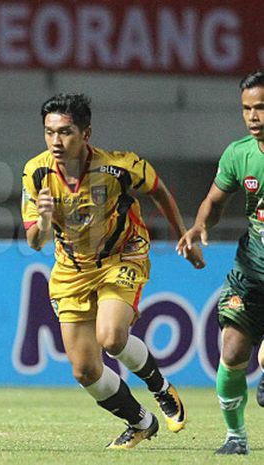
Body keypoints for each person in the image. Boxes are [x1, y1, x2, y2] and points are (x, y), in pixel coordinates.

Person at [21, 93, 204, 449]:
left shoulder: (119, 167)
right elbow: (34, 242)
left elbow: (159, 190)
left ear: (86, 134)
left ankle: (161, 388)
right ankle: (140, 422)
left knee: (111, 336)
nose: (56, 141)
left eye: (66, 132)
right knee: (84, 370)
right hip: (72, 269)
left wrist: (183, 235)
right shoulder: (37, 172)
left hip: (122, 256)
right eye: (49, 132)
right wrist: (44, 218)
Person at [178, 69, 264, 455]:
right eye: (247, 109)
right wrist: (197, 226)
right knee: (231, 352)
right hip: (251, 270)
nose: (253, 117)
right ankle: (235, 438)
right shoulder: (238, 154)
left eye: (261, 108)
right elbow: (214, 202)